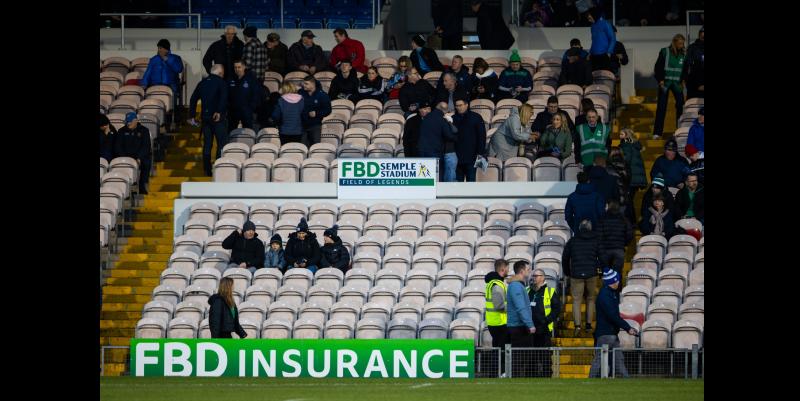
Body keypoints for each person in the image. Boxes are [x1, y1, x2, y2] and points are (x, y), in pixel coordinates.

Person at [588, 269, 637, 378]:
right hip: (605, 333)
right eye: (617, 281)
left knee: (617, 359)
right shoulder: (605, 295)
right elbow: (613, 315)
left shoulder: (610, 294)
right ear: (612, 281)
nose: (618, 282)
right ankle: (590, 380)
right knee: (600, 359)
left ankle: (627, 380)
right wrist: (628, 328)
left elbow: (614, 315)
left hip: (611, 333)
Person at [562, 219, 601, 336]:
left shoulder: (572, 241)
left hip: (576, 275)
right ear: (590, 228)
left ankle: (577, 326)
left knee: (576, 300)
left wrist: (568, 272)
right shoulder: (596, 241)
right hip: (591, 274)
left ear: (579, 228)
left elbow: (565, 258)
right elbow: (601, 257)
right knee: (590, 299)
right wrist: (599, 271)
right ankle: (589, 325)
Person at [189, 64, 229, 176]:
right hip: (217, 118)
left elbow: (193, 99)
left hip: (205, 118)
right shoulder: (221, 83)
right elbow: (223, 99)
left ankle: (206, 169)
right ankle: (217, 166)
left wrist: (191, 115)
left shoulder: (202, 83)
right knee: (221, 143)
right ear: (220, 73)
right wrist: (219, 112)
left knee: (207, 144)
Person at [140, 39, 184, 124]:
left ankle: (171, 117)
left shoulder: (175, 58)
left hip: (170, 85)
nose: (159, 50)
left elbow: (179, 69)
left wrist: (167, 60)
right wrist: (144, 83)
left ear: (166, 49)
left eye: (161, 48)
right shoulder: (154, 59)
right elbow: (148, 72)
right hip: (154, 85)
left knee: (172, 97)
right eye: (158, 48)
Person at [528, 267, 561, 378]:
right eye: (533, 276)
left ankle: (547, 376)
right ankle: (531, 376)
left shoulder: (550, 291)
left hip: (544, 328)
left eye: (536, 276)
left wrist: (546, 320)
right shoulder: (528, 290)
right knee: (531, 356)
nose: (534, 278)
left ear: (542, 278)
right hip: (530, 328)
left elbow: (557, 309)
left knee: (545, 355)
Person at [652, 34, 687, 139]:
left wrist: (683, 80)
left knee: (681, 105)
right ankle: (657, 133)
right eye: (680, 43)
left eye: (683, 43)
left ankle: (679, 130)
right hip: (665, 83)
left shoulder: (684, 54)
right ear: (675, 42)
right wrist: (661, 80)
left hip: (677, 84)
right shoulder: (664, 51)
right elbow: (658, 67)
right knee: (661, 107)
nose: (682, 45)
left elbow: (685, 69)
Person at [506, 260, 536, 378]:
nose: (530, 272)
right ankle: (515, 382)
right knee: (520, 358)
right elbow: (521, 307)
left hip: (519, 326)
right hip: (519, 327)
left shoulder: (518, 285)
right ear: (522, 271)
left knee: (522, 357)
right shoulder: (516, 286)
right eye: (528, 270)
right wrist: (530, 324)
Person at [417, 103, 459, 182]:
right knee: (437, 176)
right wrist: (456, 137)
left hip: (422, 150)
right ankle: (437, 193)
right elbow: (449, 135)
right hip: (435, 151)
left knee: (424, 177)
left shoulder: (426, 117)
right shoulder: (442, 119)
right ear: (445, 110)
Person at [114, 112, 152, 194]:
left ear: (136, 121)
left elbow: (146, 146)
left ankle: (142, 185)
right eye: (127, 122)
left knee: (146, 162)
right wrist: (124, 157)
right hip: (125, 156)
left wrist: (139, 157)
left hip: (139, 156)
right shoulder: (121, 131)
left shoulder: (144, 131)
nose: (128, 124)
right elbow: (118, 146)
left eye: (130, 121)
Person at [597, 200, 633, 284]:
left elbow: (598, 235)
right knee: (617, 273)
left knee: (607, 273)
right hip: (619, 249)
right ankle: (617, 293)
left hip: (605, 250)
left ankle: (607, 293)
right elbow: (630, 234)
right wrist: (624, 244)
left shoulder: (602, 219)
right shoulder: (624, 219)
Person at [452, 97, 487, 182]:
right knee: (458, 183)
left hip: (472, 157)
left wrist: (480, 154)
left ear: (466, 105)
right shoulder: (453, 118)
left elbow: (481, 137)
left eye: (460, 105)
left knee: (471, 182)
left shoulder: (476, 117)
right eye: (456, 106)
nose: (458, 107)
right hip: (457, 157)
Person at [484, 259, 509, 375]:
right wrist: (513, 307)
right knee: (501, 350)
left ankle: (494, 373)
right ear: (503, 269)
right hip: (499, 322)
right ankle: (500, 372)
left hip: (493, 322)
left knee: (497, 349)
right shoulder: (497, 285)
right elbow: (499, 305)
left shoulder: (492, 283)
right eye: (507, 268)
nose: (509, 271)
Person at [619, 128, 647, 224]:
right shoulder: (634, 145)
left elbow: (626, 160)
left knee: (628, 200)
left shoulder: (626, 145)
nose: (620, 136)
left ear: (626, 136)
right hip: (636, 178)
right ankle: (631, 221)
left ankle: (632, 221)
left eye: (622, 134)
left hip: (631, 178)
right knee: (629, 200)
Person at [227, 60, 261, 133]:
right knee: (231, 132)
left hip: (246, 110)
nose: (237, 69)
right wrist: (229, 106)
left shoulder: (251, 79)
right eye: (235, 67)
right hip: (233, 111)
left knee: (248, 132)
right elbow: (227, 94)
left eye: (239, 67)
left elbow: (256, 94)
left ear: (244, 67)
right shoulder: (230, 79)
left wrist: (251, 107)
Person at [299, 75, 332, 147]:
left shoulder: (322, 95)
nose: (304, 85)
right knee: (302, 148)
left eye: (306, 84)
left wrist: (317, 113)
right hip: (302, 126)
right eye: (303, 83)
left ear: (313, 84)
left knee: (315, 147)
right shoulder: (300, 93)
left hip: (315, 126)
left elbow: (328, 110)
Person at [585, 7, 616, 72]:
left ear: (594, 15)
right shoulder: (592, 26)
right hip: (594, 56)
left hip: (604, 55)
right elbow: (594, 41)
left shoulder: (605, 23)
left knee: (604, 75)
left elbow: (612, 38)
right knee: (595, 76)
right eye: (588, 19)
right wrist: (590, 53)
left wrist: (609, 52)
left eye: (590, 18)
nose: (589, 20)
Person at [681, 26, 704, 100]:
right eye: (702, 33)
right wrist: (684, 78)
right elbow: (687, 65)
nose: (703, 35)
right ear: (699, 35)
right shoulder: (692, 48)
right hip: (694, 83)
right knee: (693, 106)